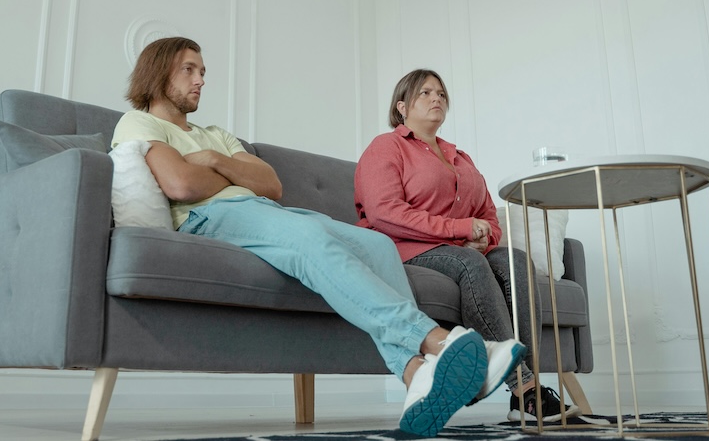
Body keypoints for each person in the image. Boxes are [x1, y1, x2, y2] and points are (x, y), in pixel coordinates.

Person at [111, 37, 524, 438]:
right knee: (306, 234)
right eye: (189, 69)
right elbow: (181, 184)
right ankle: (439, 342)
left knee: (377, 245)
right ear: (158, 71)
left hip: (266, 210)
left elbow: (270, 185)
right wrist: (231, 175)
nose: (200, 79)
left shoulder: (216, 135)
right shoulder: (139, 122)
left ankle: (415, 376)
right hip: (210, 216)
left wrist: (215, 161)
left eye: (203, 71)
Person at [354, 69, 582, 423]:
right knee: (468, 264)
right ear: (402, 107)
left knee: (517, 262)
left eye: (442, 94)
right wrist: (460, 230)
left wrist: (483, 235)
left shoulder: (461, 158)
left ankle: (529, 391)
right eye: (425, 93)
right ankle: (524, 388)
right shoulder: (386, 147)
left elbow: (488, 215)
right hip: (405, 249)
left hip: (458, 247)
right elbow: (385, 213)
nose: (437, 99)